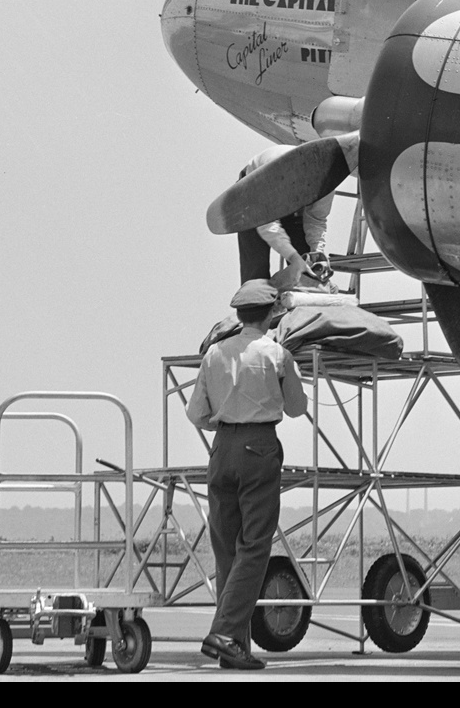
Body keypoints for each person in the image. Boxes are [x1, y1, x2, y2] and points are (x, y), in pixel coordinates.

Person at [186, 279, 308, 670]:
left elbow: (196, 414)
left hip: (221, 449)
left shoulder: (214, 354)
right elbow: (295, 408)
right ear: (271, 314)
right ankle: (224, 633)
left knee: (227, 550)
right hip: (259, 448)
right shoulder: (277, 354)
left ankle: (234, 648)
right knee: (255, 546)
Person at [236, 145, 336, 288]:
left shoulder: (328, 178)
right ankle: (254, 305)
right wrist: (293, 257)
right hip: (251, 196)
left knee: (308, 268)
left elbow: (316, 219)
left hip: (288, 197)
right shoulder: (273, 174)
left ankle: (302, 299)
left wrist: (317, 251)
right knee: (255, 271)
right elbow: (267, 226)